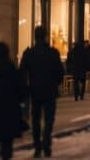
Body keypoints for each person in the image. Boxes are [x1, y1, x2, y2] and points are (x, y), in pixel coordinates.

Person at [19, 26, 64, 158]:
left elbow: (22, 72)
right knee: (49, 119)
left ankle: (38, 146)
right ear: (45, 36)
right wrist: (56, 82)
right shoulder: (53, 53)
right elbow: (60, 72)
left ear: (35, 37)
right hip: (50, 90)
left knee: (36, 119)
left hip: (35, 90)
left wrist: (25, 89)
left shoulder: (29, 53)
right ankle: (46, 143)